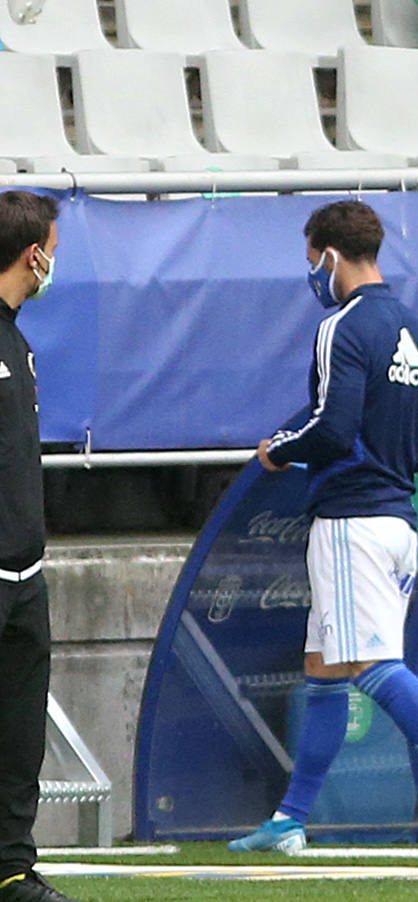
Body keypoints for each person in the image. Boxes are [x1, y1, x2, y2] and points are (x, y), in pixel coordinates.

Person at [229, 200, 418, 854]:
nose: (311, 273)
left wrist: (278, 448)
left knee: (370, 665)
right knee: (325, 668)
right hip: (397, 519)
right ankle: (290, 819)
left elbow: (332, 427)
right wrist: (389, 459)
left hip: (350, 520)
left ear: (330, 256)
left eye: (312, 260)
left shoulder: (342, 326)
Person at [0, 192, 83, 902]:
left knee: (18, 738)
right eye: (55, 246)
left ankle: (11, 868)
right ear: (35, 255)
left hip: (25, 574)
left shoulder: (17, 342)